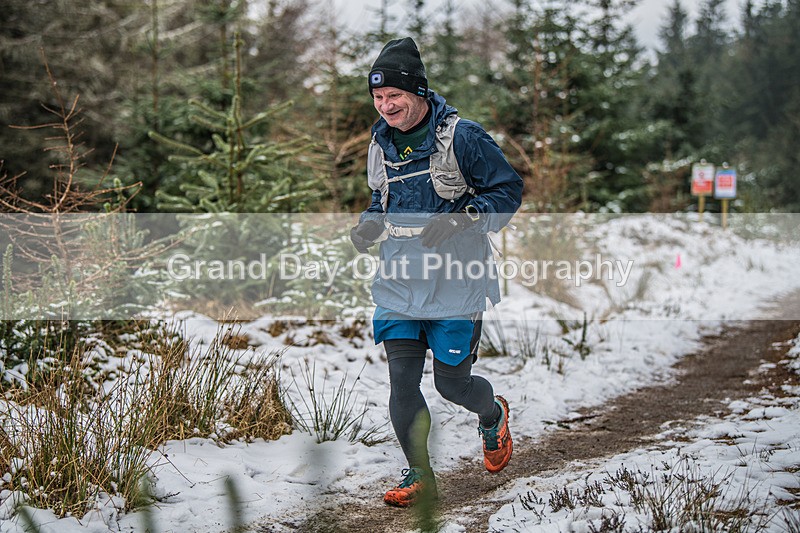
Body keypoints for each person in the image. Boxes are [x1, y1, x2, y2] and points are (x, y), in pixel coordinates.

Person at [350, 37, 523, 508]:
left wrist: (462, 218)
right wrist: (368, 226)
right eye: (378, 98)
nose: (386, 106)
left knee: (452, 384)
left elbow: (508, 191)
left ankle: (492, 415)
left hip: (457, 281)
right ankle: (419, 474)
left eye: (395, 97)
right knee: (402, 381)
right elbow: (379, 199)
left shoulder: (462, 137)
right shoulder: (379, 141)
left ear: (419, 93)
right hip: (400, 281)